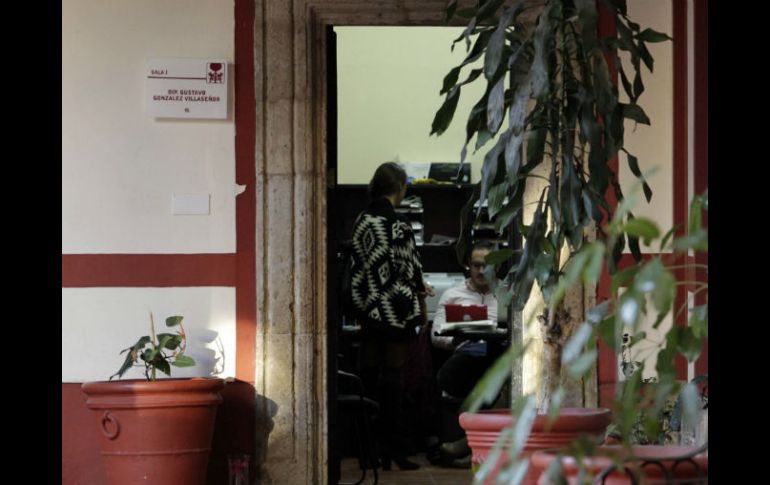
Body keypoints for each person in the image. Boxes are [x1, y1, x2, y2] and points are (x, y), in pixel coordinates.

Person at [349, 161, 434, 471]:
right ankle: (395, 448)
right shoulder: (400, 224)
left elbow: (357, 266)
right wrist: (422, 306)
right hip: (396, 312)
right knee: (394, 381)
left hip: (368, 312)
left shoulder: (361, 221)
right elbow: (412, 270)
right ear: (400, 187)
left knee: (368, 380)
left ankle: (368, 450)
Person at [431, 241, 503, 466]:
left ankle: (470, 447)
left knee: (499, 363)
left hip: (500, 357)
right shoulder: (453, 294)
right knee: (479, 362)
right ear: (468, 266)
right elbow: (435, 334)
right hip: (466, 359)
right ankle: (474, 448)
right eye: (476, 265)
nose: (481, 271)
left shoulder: (507, 294)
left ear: (497, 266)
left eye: (486, 265)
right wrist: (455, 340)